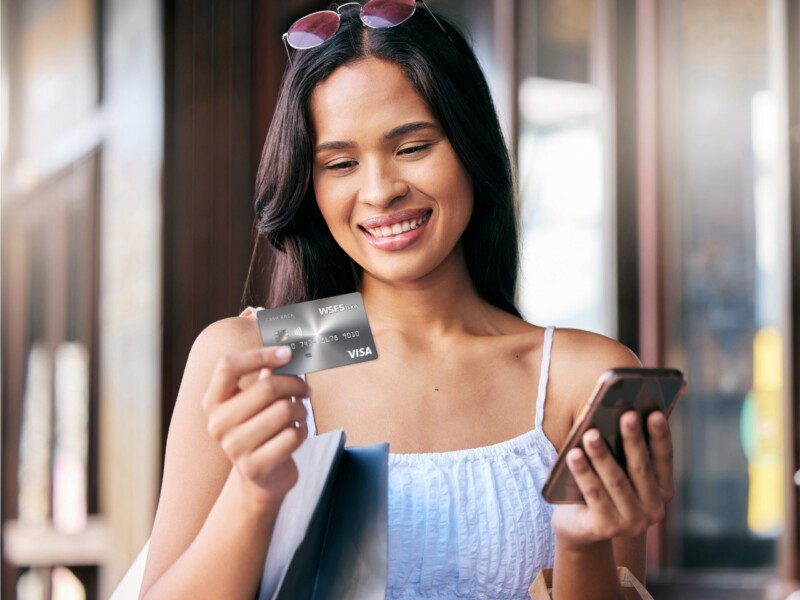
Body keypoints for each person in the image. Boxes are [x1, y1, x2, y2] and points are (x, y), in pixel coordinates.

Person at [139, 2, 674, 598]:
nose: (380, 190)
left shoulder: (579, 379)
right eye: (340, 163)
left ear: (471, 146)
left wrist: (580, 543)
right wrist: (252, 493)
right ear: (309, 184)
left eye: (413, 147)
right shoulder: (264, 357)